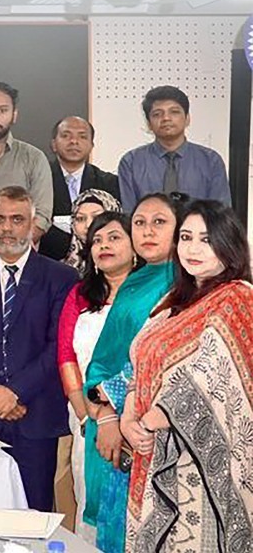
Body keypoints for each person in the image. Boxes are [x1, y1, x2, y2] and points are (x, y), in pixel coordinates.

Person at [121, 200, 253, 552]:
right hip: (151, 450)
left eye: (206, 240)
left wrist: (153, 419)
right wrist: (128, 418)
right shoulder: (174, 300)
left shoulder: (238, 297)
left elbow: (210, 376)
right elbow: (139, 363)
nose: (192, 249)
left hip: (203, 464)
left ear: (229, 244)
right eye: (185, 237)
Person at [0, 186, 79, 512]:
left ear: (32, 224)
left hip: (35, 417)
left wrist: (16, 393)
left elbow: (57, 346)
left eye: (17, 219)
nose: (7, 228)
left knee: (32, 516)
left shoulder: (61, 277)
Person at [58, 213, 161, 551]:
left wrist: (114, 412)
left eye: (114, 237)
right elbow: (66, 356)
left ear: (134, 246)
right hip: (86, 418)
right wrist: (87, 415)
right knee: (90, 497)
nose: (104, 245)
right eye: (97, 240)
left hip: (139, 415)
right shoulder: (79, 295)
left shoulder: (153, 294)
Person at [117, 85, 233, 211]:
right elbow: (129, 214)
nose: (166, 118)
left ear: (187, 118)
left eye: (174, 112)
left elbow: (221, 214)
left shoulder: (210, 161)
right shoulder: (131, 162)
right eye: (157, 114)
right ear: (149, 123)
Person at [0, 81, 55, 237]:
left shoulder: (34, 158)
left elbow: (41, 217)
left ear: (14, 115)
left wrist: (13, 247)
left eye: (2, 110)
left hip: (16, 250)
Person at [41, 116, 121, 261]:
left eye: (82, 137)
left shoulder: (109, 183)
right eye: (66, 136)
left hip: (97, 261)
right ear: (54, 144)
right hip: (49, 260)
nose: (74, 141)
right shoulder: (39, 179)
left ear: (91, 145)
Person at [61, 188, 124, 272]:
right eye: (80, 219)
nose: (88, 225)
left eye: (96, 217)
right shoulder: (61, 270)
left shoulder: (128, 265)